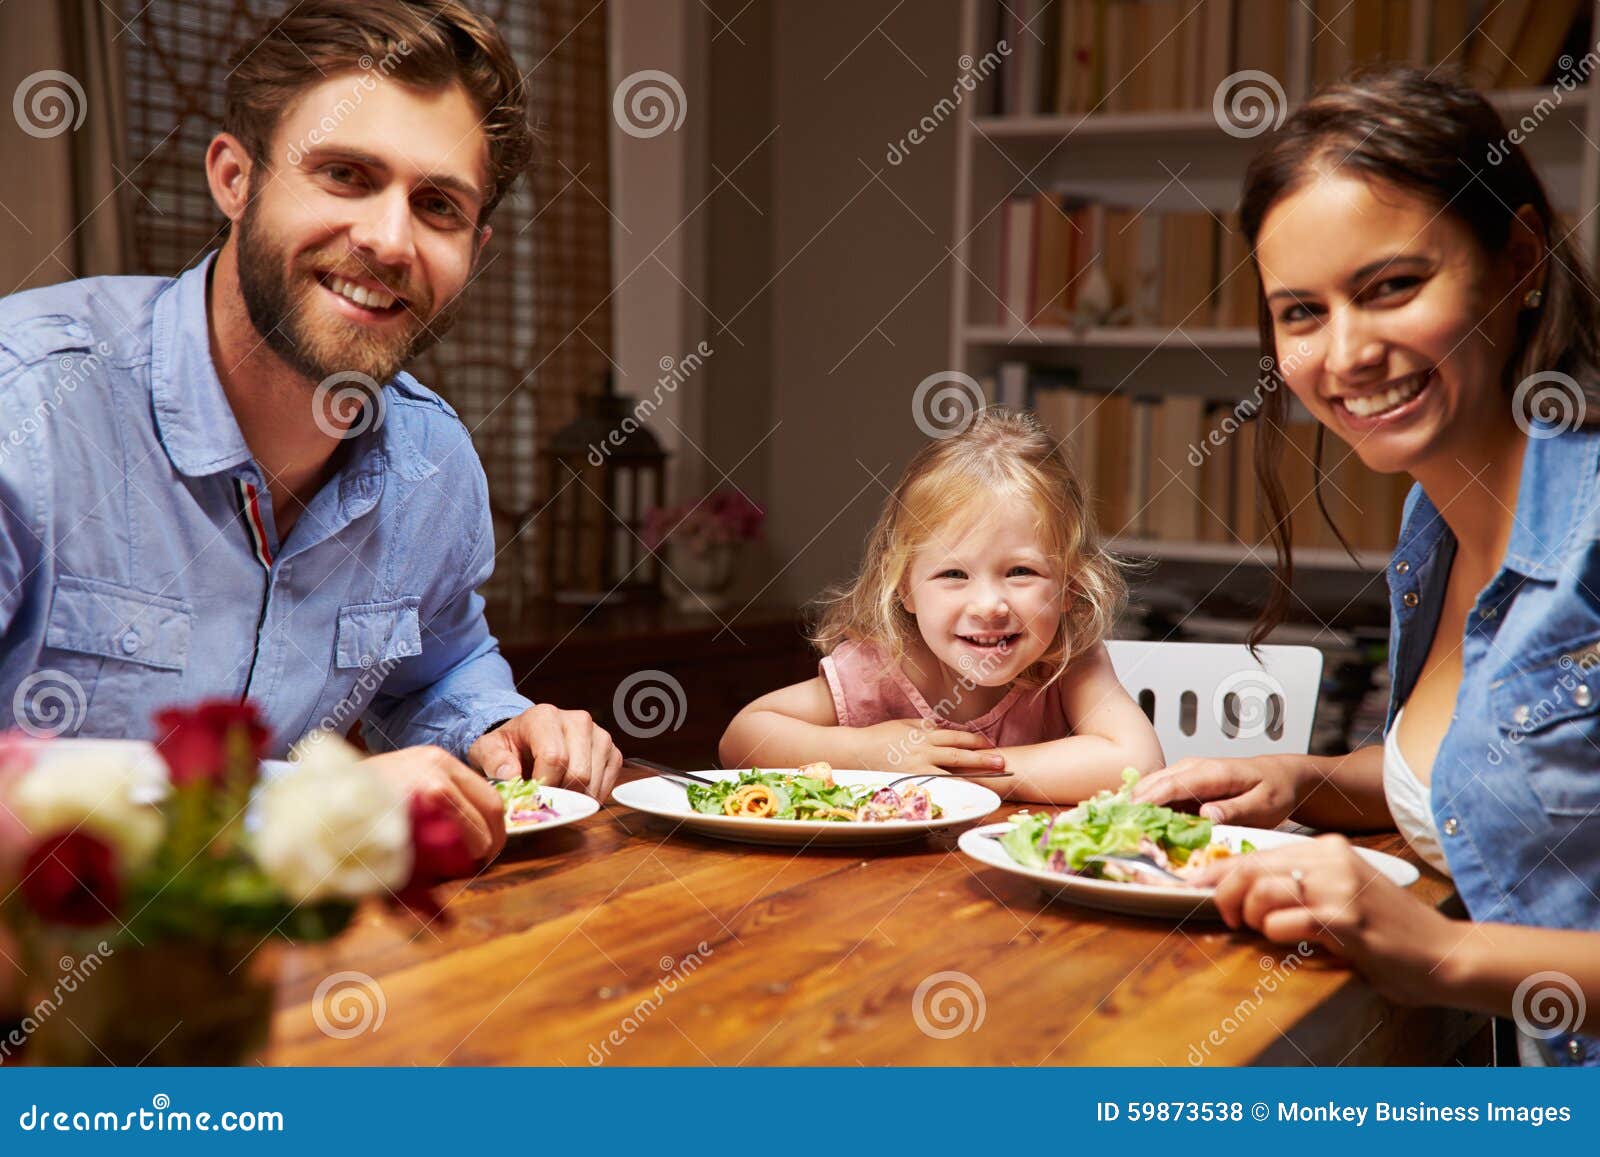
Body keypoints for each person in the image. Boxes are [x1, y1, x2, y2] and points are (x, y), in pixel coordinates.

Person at [0, 0, 624, 870]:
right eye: (344, 175)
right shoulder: (23, 405)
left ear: (474, 248)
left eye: (438, 204)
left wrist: (498, 725)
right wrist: (312, 801)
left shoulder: (432, 466)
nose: (388, 239)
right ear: (234, 177)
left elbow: (439, 665)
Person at [1132, 68, 1600, 1065]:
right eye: (1300, 312)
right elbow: (1494, 779)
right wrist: (1299, 779)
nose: (1344, 353)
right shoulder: (1430, 522)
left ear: (1517, 259)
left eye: (1391, 286)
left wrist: (1442, 956)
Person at [720, 409, 1163, 802]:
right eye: (953, 575)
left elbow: (1138, 764)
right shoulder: (880, 669)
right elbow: (743, 739)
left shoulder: (1067, 663)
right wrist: (865, 753)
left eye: (1020, 572)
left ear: (1069, 584)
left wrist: (966, 776)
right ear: (904, 588)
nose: (989, 605)